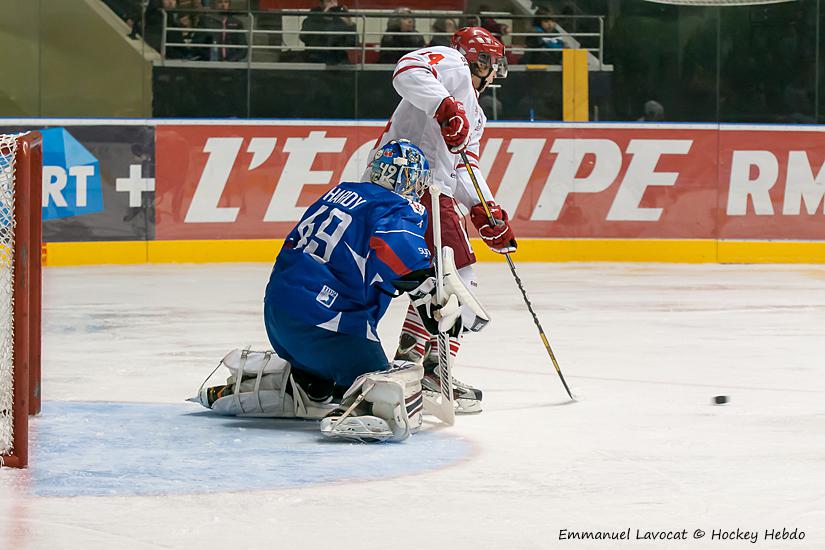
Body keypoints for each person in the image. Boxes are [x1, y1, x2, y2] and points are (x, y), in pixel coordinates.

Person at [193, 140, 486, 442]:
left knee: (323, 379)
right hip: (327, 330)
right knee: (386, 383)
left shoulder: (338, 194)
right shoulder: (396, 205)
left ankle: (306, 385)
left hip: (278, 319)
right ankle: (364, 404)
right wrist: (427, 291)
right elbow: (394, 247)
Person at [368, 27, 515, 414]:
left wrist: (487, 208)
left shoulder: (477, 115)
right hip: (412, 183)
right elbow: (406, 69)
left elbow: (465, 168)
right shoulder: (452, 64)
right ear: (478, 58)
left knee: (436, 280)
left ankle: (411, 361)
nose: (495, 71)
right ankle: (431, 370)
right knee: (459, 278)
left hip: (424, 187)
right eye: (492, 62)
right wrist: (443, 106)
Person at [299, 0, 357, 64]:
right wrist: (323, 18)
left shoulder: (341, 22)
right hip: (316, 59)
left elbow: (353, 43)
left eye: (334, 1)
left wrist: (350, 24)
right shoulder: (311, 19)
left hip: (338, 61)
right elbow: (304, 37)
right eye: (328, 1)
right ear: (321, 4)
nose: (332, 3)